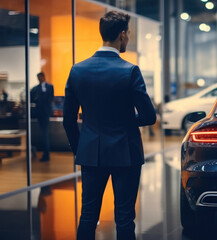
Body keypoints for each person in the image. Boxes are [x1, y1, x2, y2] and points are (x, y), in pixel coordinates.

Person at [62, 11, 156, 240]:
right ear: (122, 35)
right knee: (125, 218)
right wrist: (125, 121)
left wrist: (80, 149)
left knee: (87, 215)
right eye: (129, 34)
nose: (128, 38)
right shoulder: (130, 71)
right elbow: (148, 116)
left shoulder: (78, 70)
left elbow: (68, 120)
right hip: (126, 154)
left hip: (91, 153)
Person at [30, 72, 54, 162]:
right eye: (38, 78)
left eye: (40, 77)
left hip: (46, 113)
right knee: (44, 133)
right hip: (40, 113)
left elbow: (50, 98)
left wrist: (39, 100)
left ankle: (46, 154)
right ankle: (46, 153)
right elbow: (31, 98)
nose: (39, 79)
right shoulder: (35, 89)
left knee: (44, 133)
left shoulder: (50, 87)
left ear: (43, 77)